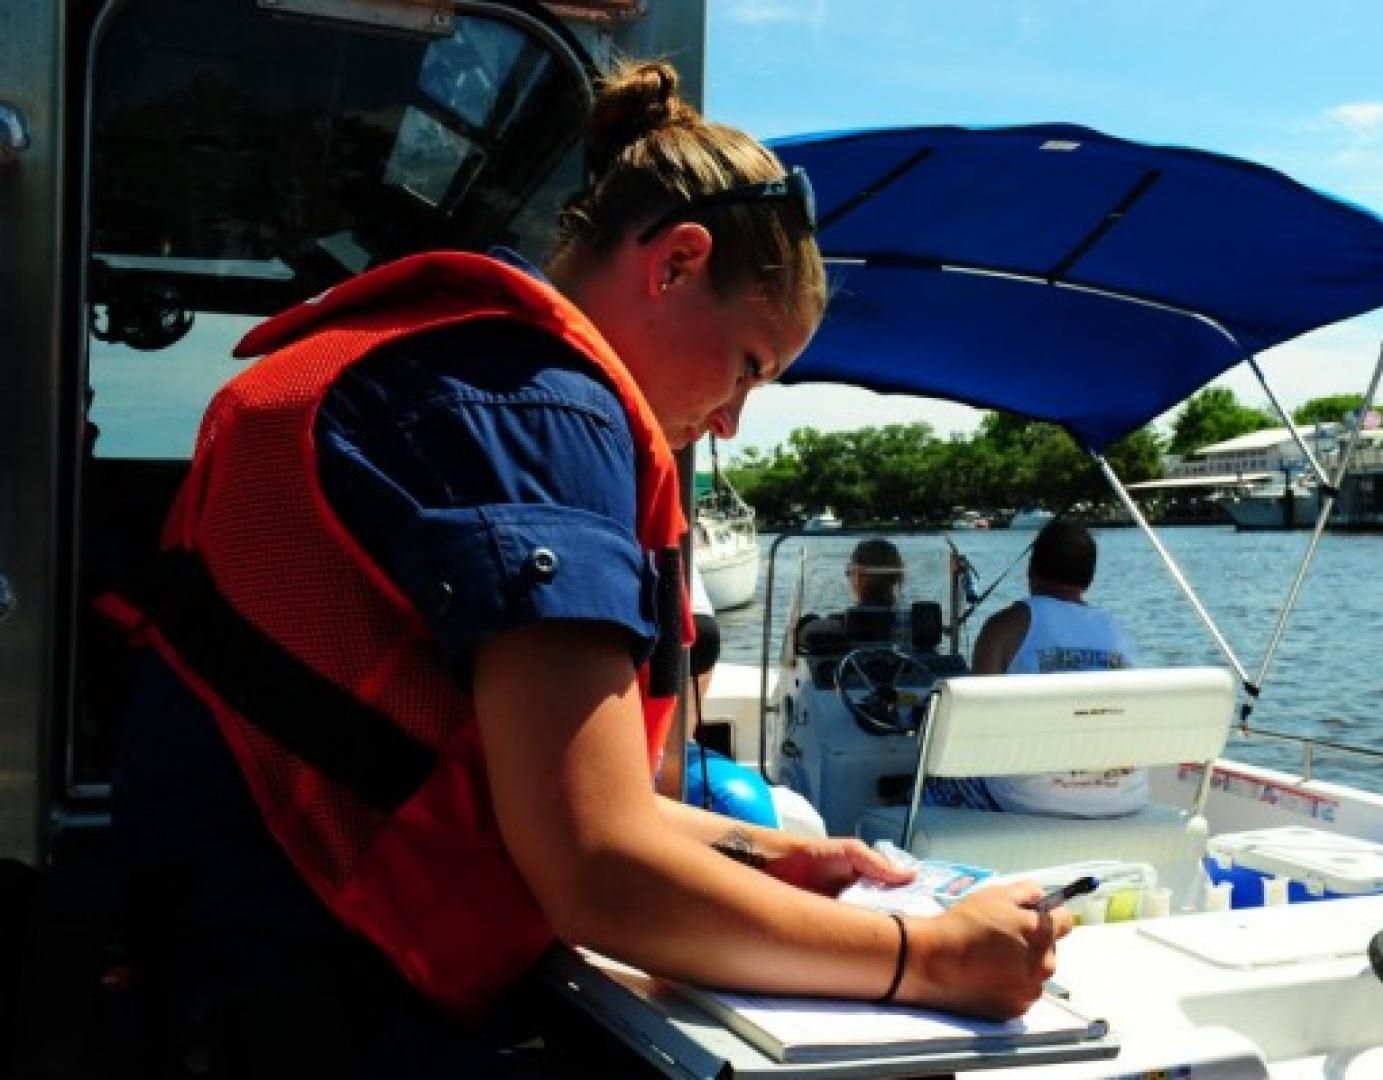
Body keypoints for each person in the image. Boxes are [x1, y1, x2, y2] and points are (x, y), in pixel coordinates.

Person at [106, 60, 1068, 1075]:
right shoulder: (538, 411)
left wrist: (785, 854)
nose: (734, 420)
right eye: (749, 363)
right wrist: (928, 957)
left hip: (204, 969)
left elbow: (565, 798)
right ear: (675, 264)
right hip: (317, 999)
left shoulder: (438, 364)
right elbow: (595, 867)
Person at [926, 516, 1147, 818]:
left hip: (1027, 799)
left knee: (925, 785)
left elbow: (973, 731)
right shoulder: (1117, 631)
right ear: (1089, 578)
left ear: (1031, 567)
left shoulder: (1004, 627)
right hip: (1122, 797)